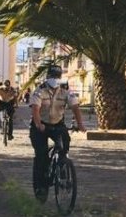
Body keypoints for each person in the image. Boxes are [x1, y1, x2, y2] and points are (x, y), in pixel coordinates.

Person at [29, 65, 86, 201]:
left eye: (57, 77)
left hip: (57, 124)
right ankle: (41, 186)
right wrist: (38, 124)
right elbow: (35, 109)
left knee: (65, 143)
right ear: (47, 77)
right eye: (52, 76)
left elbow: (75, 107)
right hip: (40, 125)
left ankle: (62, 165)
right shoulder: (40, 90)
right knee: (41, 155)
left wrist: (80, 124)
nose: (54, 79)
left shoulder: (65, 91)